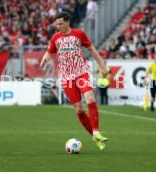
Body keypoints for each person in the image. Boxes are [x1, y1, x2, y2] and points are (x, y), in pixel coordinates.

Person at [40, 12, 108, 150]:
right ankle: (94, 136)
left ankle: (96, 131)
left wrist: (103, 67)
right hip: (66, 77)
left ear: (68, 22)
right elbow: (50, 51)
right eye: (57, 24)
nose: (58, 26)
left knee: (89, 97)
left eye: (60, 23)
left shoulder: (79, 34)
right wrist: (44, 59)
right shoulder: (55, 37)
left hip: (81, 72)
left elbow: (93, 51)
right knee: (78, 109)